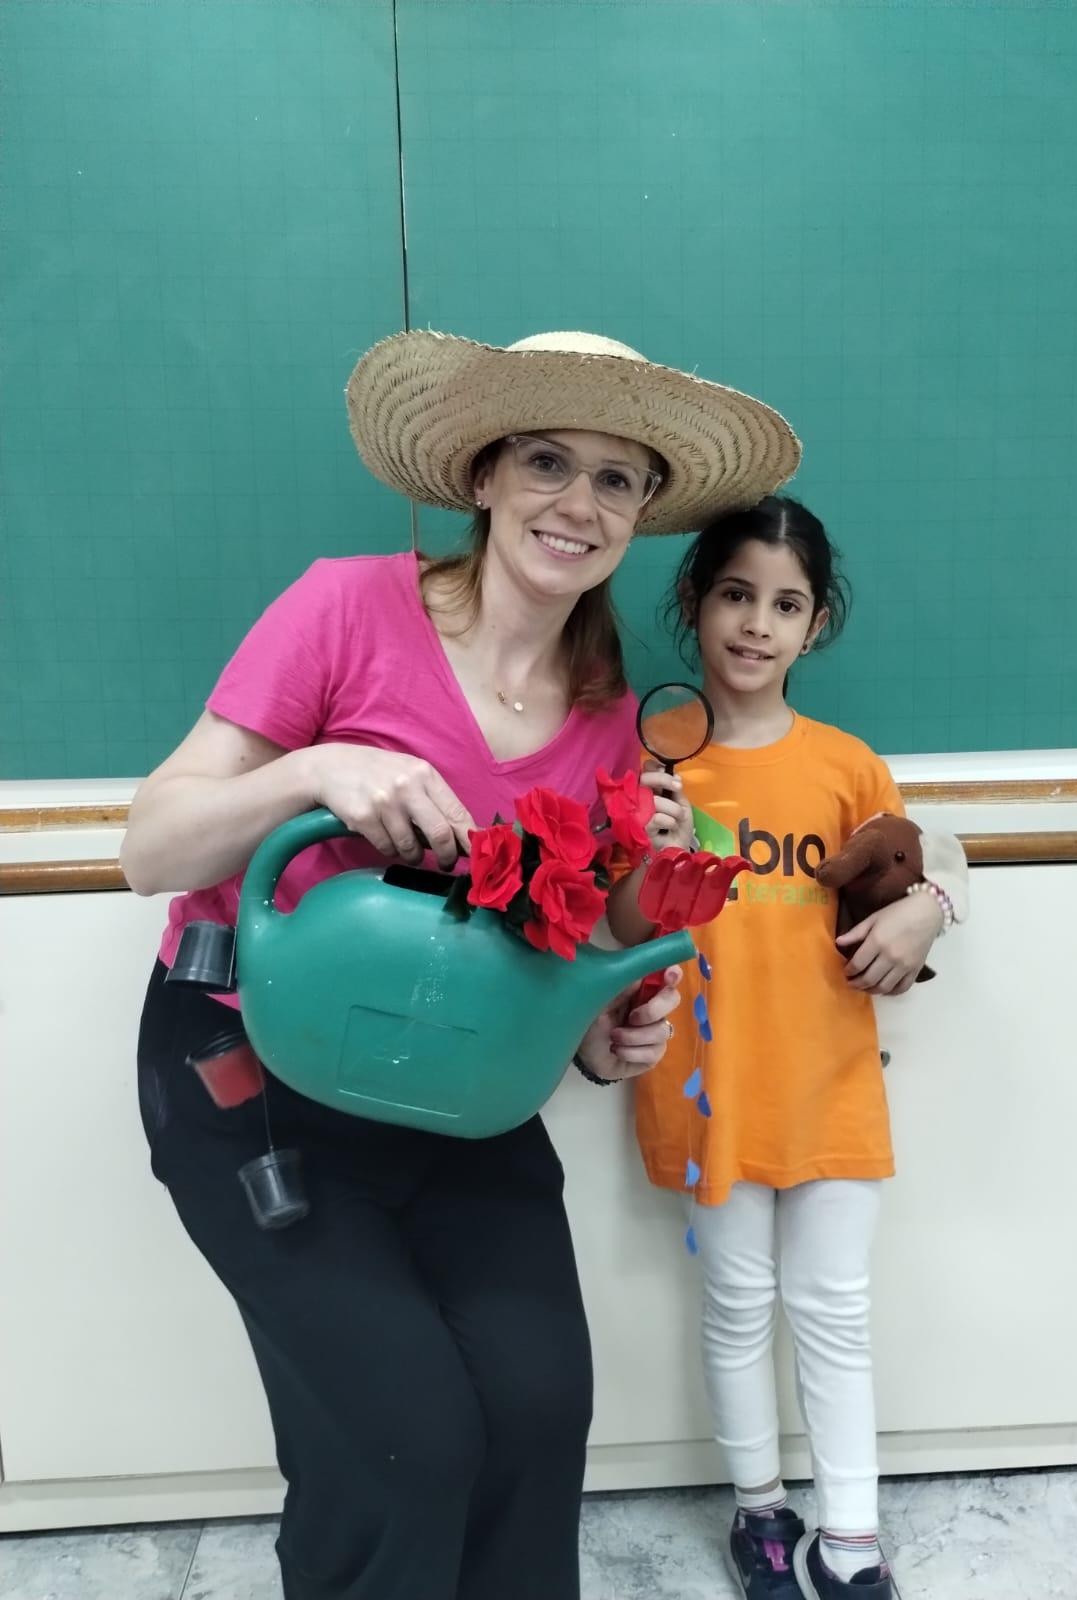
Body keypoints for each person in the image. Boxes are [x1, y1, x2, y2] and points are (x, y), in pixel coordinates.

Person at [120, 329, 802, 1600]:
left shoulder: (612, 722)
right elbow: (149, 850)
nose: (577, 502)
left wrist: (601, 1033)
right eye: (546, 461)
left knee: (538, 1412)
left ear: (640, 514)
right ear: (483, 476)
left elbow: (549, 969)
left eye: (616, 478)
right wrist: (317, 770)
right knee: (405, 1440)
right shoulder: (342, 607)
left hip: (456, 1092)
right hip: (247, 1072)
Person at [608, 495, 969, 1600]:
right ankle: (760, 1511)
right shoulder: (655, 771)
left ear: (815, 624)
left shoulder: (846, 767)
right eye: (735, 595)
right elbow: (622, 926)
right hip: (709, 1085)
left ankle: (850, 1538)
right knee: (734, 1305)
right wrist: (655, 852)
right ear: (694, 603)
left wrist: (934, 908)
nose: (756, 625)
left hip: (830, 1084)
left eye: (786, 604)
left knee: (834, 1307)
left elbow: (921, 864)